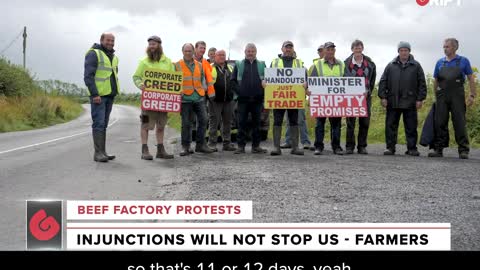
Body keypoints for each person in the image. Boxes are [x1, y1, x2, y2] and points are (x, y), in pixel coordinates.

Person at [429, 38, 477, 159]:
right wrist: (436, 96)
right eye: (444, 47)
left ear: (455, 47)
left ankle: (463, 150)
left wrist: (472, 95)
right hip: (442, 97)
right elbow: (436, 80)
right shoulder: (440, 62)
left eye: (447, 47)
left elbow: (471, 78)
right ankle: (438, 149)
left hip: (457, 96)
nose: (445, 49)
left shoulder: (463, 61)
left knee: (459, 122)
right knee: (440, 123)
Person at [378, 41, 427, 156]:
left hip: (410, 102)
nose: (404, 52)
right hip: (393, 101)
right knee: (390, 126)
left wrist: (420, 99)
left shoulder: (416, 66)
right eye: (401, 50)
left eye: (406, 50)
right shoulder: (390, 65)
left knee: (411, 126)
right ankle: (390, 148)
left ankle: (412, 148)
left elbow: (422, 84)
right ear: (398, 52)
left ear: (409, 51)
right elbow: (383, 82)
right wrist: (383, 97)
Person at [132, 35, 174, 160]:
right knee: (145, 125)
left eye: (154, 44)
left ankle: (160, 150)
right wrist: (141, 85)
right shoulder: (144, 62)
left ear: (159, 45)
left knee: (161, 126)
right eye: (150, 44)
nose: (151, 47)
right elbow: (136, 77)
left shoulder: (168, 62)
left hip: (163, 101)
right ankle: (144, 150)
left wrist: (177, 92)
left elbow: (174, 79)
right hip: (148, 101)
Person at [84, 32, 119, 162]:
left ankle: (103, 152)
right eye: (108, 40)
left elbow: (113, 75)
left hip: (109, 95)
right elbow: (88, 76)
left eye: (112, 41)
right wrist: (95, 94)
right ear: (101, 40)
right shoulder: (94, 53)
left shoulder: (113, 57)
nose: (110, 43)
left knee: (103, 124)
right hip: (99, 96)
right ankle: (97, 153)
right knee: (98, 123)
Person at [175, 43, 214, 156]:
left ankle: (200, 145)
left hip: (198, 97)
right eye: (186, 51)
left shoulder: (199, 65)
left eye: (190, 51)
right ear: (182, 52)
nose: (188, 53)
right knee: (186, 123)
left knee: (204, 120)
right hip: (185, 99)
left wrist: (203, 91)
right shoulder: (177, 65)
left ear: (193, 52)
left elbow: (202, 79)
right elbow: (174, 82)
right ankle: (185, 147)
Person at [308, 42, 345, 155]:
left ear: (334, 51)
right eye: (328, 49)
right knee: (320, 124)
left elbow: (349, 80)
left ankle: (336, 147)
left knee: (336, 125)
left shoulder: (341, 64)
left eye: (332, 49)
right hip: (321, 99)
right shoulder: (317, 64)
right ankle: (318, 146)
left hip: (336, 100)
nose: (330, 52)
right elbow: (312, 81)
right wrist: (309, 91)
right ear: (324, 51)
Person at [269, 41, 305, 156]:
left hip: (294, 97)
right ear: (282, 49)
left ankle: (295, 147)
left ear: (293, 49)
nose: (288, 49)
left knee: (294, 121)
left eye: (290, 47)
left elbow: (305, 77)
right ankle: (276, 147)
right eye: (286, 47)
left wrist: (306, 83)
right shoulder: (274, 62)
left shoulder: (299, 62)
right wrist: (265, 82)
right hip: (278, 97)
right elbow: (268, 77)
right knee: (277, 121)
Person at [231, 43, 268, 154]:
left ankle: (256, 146)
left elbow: (268, 81)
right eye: (248, 51)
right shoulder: (238, 64)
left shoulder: (262, 64)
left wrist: (262, 93)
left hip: (257, 99)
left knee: (257, 124)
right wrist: (240, 92)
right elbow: (232, 81)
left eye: (252, 51)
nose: (250, 53)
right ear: (245, 52)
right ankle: (240, 147)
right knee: (241, 123)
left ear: (256, 52)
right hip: (243, 100)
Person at [344, 39, 377, 155]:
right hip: (351, 97)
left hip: (365, 96)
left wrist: (368, 91)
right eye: (355, 47)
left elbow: (372, 79)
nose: (357, 49)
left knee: (364, 122)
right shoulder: (345, 63)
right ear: (352, 49)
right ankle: (349, 146)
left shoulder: (370, 63)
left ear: (362, 48)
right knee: (350, 122)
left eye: (359, 47)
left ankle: (362, 146)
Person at [208, 49, 236, 151]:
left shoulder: (230, 68)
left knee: (227, 122)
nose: (222, 57)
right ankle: (212, 144)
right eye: (219, 55)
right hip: (214, 100)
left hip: (228, 100)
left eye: (223, 55)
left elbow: (234, 82)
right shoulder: (210, 67)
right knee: (214, 122)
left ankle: (227, 143)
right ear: (215, 56)